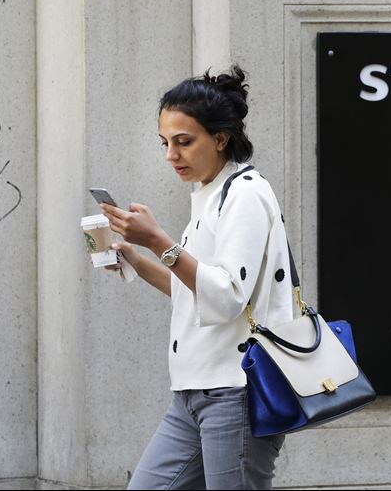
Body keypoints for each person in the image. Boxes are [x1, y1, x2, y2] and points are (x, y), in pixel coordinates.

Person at [100, 66, 293, 490]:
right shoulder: (210, 195)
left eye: (184, 142)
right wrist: (135, 256)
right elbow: (193, 291)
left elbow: (226, 299)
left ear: (220, 139)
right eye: (166, 143)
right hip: (194, 390)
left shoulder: (246, 193)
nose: (172, 155)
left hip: (237, 388)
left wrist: (159, 242)